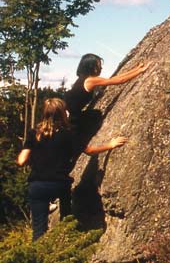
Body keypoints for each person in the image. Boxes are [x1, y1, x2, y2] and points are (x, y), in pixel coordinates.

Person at [17, 98, 128, 241]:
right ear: (63, 113)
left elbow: (22, 160)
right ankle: (66, 247)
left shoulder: (34, 134)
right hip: (59, 184)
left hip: (38, 185)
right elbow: (90, 150)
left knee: (38, 231)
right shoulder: (69, 134)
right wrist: (110, 144)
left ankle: (39, 260)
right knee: (67, 222)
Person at [65, 53, 149, 129]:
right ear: (92, 67)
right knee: (96, 115)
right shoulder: (90, 80)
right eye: (98, 65)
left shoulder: (83, 79)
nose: (101, 68)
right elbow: (119, 80)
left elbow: (114, 78)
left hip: (73, 116)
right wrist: (140, 71)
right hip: (74, 120)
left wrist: (136, 69)